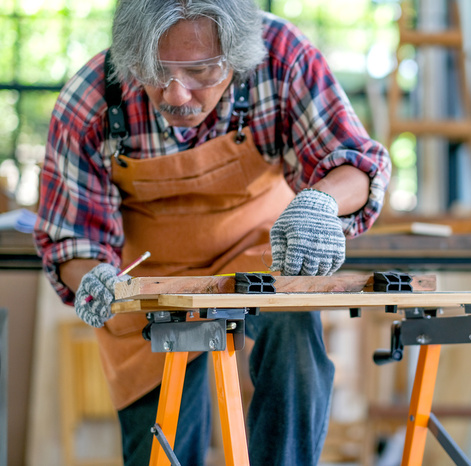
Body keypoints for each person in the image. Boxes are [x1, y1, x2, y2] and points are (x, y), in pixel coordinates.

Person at [33, 0, 391, 464]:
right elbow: (71, 238)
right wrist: (94, 279)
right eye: (156, 71)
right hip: (147, 289)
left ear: (238, 59)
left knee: (294, 325)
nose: (177, 95)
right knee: (162, 449)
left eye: (202, 71)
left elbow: (356, 162)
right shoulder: (92, 100)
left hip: (258, 258)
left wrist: (320, 202)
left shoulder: (280, 57)